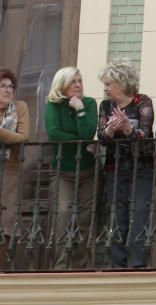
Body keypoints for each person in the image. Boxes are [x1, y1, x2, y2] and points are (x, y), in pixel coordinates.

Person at [97, 60, 154, 268]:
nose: (105, 88)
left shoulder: (142, 102)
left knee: (140, 211)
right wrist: (111, 130)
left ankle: (138, 264)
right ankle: (117, 265)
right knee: (116, 212)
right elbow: (101, 136)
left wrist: (129, 129)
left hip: (142, 167)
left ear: (121, 83)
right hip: (115, 167)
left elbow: (146, 135)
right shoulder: (105, 106)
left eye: (108, 84)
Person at [45, 67, 98, 269]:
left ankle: (81, 267)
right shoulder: (53, 104)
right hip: (62, 172)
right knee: (63, 213)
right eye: (73, 81)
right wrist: (82, 142)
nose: (78, 84)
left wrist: (80, 109)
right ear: (62, 85)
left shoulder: (90, 103)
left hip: (88, 171)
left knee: (85, 218)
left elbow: (88, 132)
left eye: (80, 80)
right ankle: (60, 266)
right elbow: (54, 133)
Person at [0, 67, 30, 267]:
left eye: (11, 86)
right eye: (2, 86)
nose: (7, 90)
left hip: (10, 169)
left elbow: (23, 137)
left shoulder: (20, 108)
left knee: (7, 222)